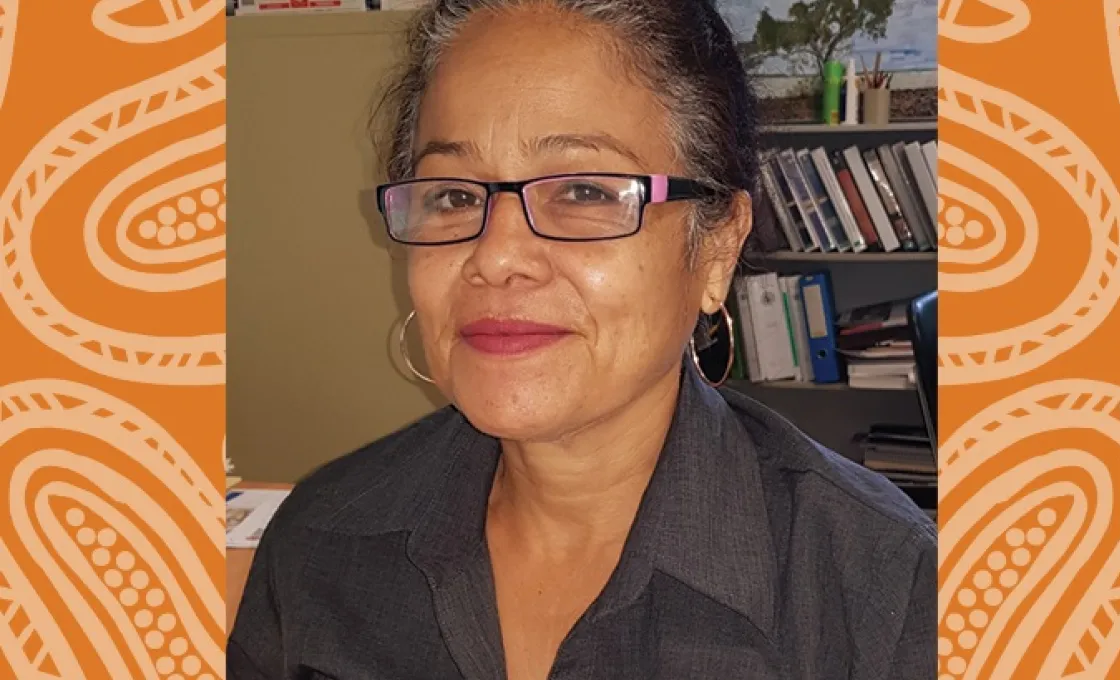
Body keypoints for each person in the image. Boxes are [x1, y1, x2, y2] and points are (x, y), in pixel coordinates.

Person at [226, 1, 936, 678]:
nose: (496, 257)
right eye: (453, 195)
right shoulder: (322, 540)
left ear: (716, 248)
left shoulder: (884, 591)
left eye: (586, 191)